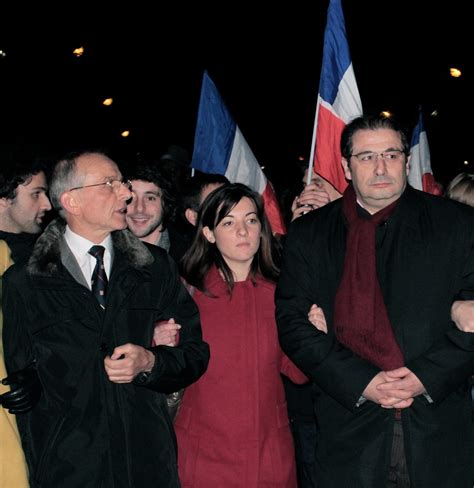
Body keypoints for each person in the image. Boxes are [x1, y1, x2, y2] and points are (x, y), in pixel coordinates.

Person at [276, 114, 474, 488]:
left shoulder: (458, 225)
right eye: (366, 157)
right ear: (347, 167)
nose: (381, 167)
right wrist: (362, 382)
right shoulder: (310, 235)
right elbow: (292, 324)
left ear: (407, 161)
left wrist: (424, 377)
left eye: (391, 154)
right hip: (348, 428)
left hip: (438, 428)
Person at [2, 150, 210, 487]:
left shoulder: (154, 268)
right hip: (69, 471)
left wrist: (151, 363)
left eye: (122, 183)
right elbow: (20, 379)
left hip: (146, 465)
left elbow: (196, 354)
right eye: (110, 184)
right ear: (72, 201)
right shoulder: (24, 283)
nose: (126, 193)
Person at [171, 183, 313, 487]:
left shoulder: (282, 293)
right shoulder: (186, 295)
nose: (242, 231)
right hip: (203, 456)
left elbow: (299, 373)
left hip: (269, 456)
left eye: (250, 220)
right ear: (209, 233)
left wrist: (314, 335)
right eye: (228, 222)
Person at [0, 154, 52, 488]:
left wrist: (39, 372)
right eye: (36, 193)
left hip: (44, 424)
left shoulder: (50, 255)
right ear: (4, 199)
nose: (48, 202)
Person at [124, 160, 190, 262]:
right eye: (131, 198)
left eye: (150, 198)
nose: (139, 208)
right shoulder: (104, 253)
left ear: (166, 203)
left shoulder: (190, 259)